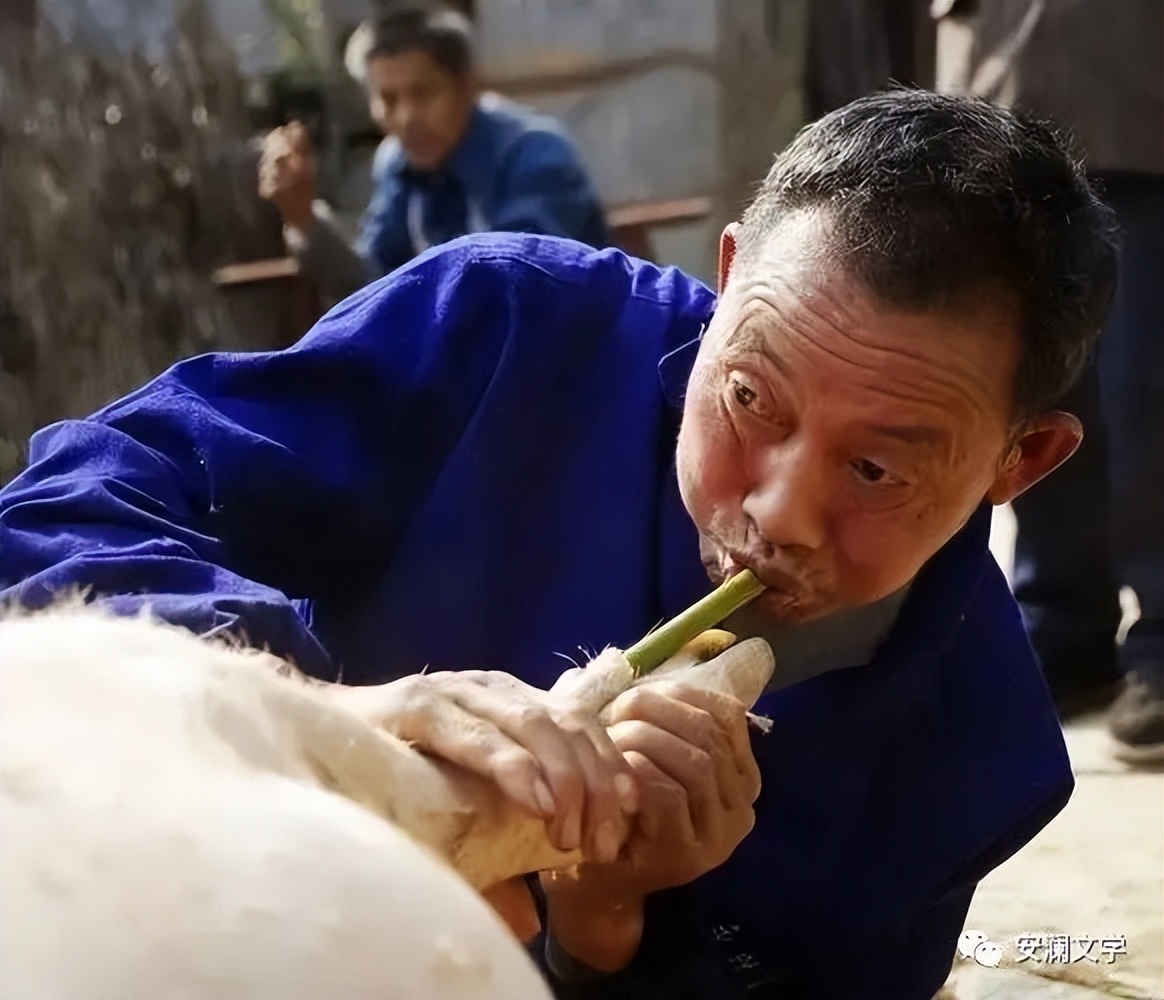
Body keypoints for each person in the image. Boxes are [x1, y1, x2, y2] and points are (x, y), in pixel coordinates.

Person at [0, 90, 1119, 999]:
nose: (779, 513)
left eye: (876, 469)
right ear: (727, 282)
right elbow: (59, 511)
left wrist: (603, 926)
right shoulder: (503, 330)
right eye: (749, 398)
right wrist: (323, 722)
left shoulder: (979, 758)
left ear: (1018, 465)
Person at [934, 0, 1164, 763]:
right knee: (1035, 384)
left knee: (1146, 397)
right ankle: (1064, 629)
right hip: (1004, 86)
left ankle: (1161, 644)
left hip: (1144, 101)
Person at [258, 5, 610, 306]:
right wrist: (303, 217)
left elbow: (518, 289)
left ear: (467, 86)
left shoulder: (536, 155)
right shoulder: (397, 164)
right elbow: (375, 287)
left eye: (423, 94)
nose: (407, 118)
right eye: (389, 99)